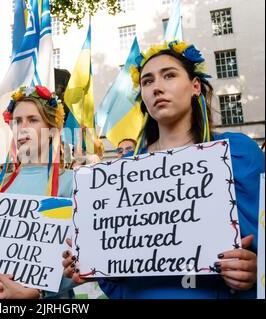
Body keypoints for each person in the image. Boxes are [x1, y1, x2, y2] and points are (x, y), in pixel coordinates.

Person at [63, 40, 265, 299]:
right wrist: (90, 262)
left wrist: (255, 269)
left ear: (195, 86)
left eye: (169, 75)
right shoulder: (120, 174)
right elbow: (119, 266)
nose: (157, 87)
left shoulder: (238, 152)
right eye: (147, 81)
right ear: (143, 99)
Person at [0, 85, 78, 299]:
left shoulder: (72, 183)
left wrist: (37, 292)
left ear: (52, 129)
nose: (22, 128)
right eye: (17, 121)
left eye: (32, 120)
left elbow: (78, 257)